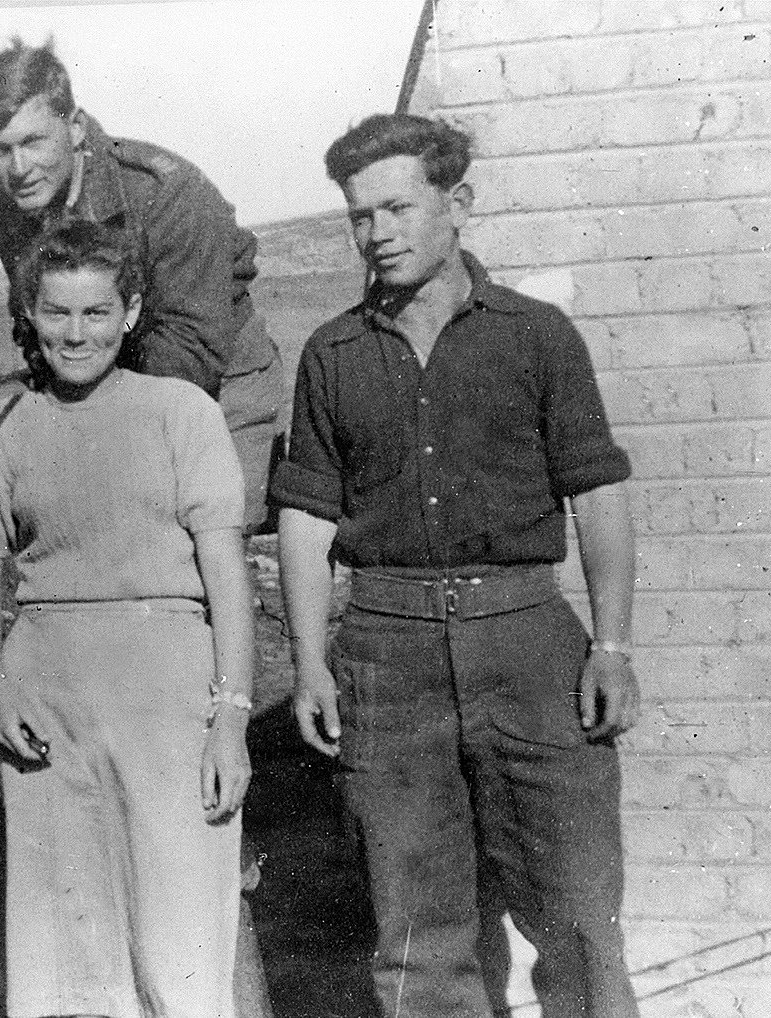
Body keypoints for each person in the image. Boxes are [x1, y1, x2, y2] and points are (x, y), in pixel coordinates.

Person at [271, 113, 641, 1018]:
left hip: (529, 649)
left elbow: (596, 492)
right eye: (360, 216)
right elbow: (306, 518)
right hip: (387, 658)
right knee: (417, 933)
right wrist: (311, 663)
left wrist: (613, 647)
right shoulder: (331, 354)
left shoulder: (538, 336)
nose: (378, 233)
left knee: (578, 914)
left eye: (398, 208)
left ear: (458, 203)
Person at [0, 220, 260, 1018]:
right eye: (57, 312)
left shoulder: (181, 413)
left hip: (167, 699)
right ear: (30, 313)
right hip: (46, 703)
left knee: (180, 937)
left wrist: (231, 719)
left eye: (96, 312)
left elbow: (227, 577)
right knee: (60, 947)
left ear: (131, 314)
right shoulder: (0, 427)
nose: (75, 333)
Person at [0, 36, 283, 533]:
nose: (19, 168)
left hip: (219, 387)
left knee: (210, 541)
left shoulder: (167, 191)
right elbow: (37, 323)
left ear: (74, 127)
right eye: (0, 151)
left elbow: (192, 346)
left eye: (33, 142)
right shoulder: (9, 214)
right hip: (102, 384)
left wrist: (103, 422)